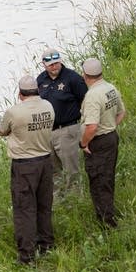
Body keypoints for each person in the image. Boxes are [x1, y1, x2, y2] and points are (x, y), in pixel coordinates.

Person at [0, 75, 55, 265]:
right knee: (44, 205)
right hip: (46, 161)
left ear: (20, 93)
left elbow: (2, 130)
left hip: (24, 165)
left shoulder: (14, 112)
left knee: (24, 209)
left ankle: (27, 255)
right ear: (37, 90)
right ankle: (46, 245)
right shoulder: (48, 106)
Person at [79, 58, 126, 228]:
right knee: (107, 177)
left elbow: (91, 127)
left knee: (98, 180)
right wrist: (110, 126)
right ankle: (108, 213)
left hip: (97, 141)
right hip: (111, 137)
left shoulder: (92, 95)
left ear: (85, 75)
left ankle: (106, 222)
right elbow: (121, 113)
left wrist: (83, 144)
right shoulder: (110, 88)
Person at [37, 48, 88, 193]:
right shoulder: (40, 80)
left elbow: (85, 100)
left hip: (68, 129)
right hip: (47, 132)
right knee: (53, 170)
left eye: (57, 63)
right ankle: (58, 201)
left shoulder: (73, 78)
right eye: (51, 65)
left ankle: (76, 199)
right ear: (44, 64)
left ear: (60, 61)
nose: (54, 67)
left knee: (72, 169)